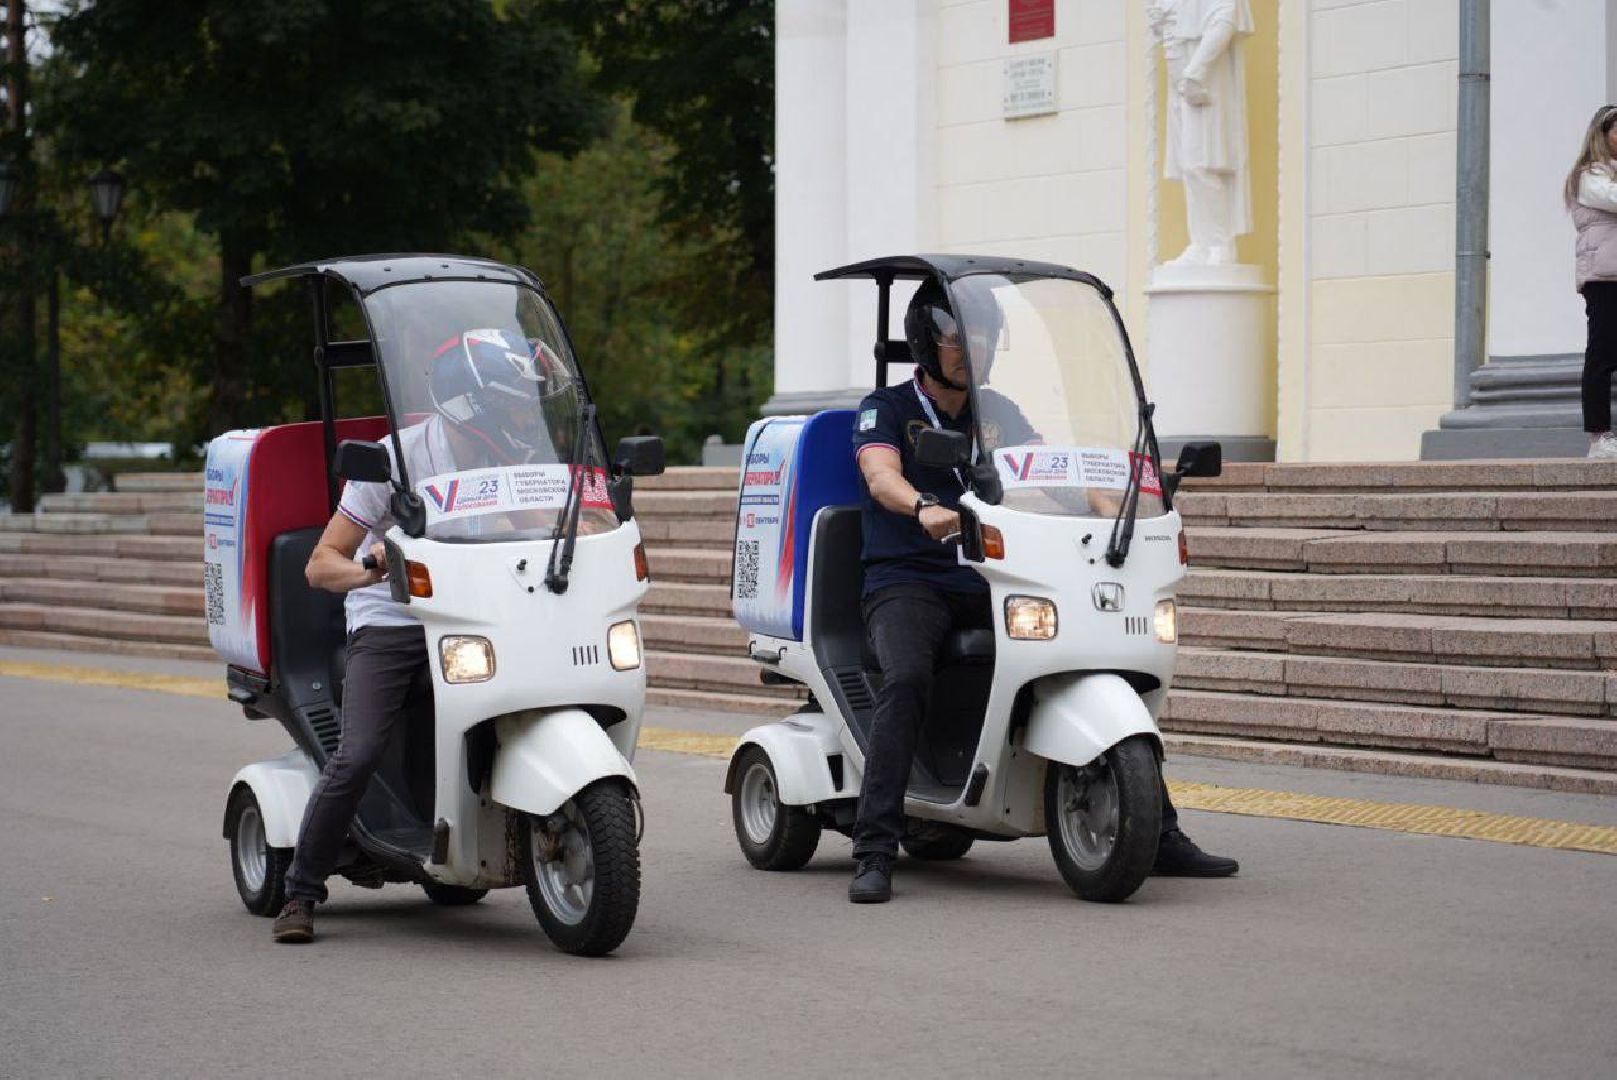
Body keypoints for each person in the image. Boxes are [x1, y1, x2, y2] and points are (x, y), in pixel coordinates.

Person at [845, 280, 1239, 904]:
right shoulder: (887, 406)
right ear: (926, 340)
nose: (970, 349)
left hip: (989, 574)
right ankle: (874, 845)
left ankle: (1157, 832)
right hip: (909, 577)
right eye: (957, 338)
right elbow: (879, 473)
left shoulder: (998, 410)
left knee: (1085, 656)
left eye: (982, 337)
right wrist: (921, 506)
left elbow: (1050, 475)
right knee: (907, 679)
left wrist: (1114, 509)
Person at [272, 328, 562, 943]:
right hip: (394, 620)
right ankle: (301, 890)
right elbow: (320, 563)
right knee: (356, 755)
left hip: (480, 618)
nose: (520, 413)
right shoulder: (391, 460)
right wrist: (374, 569)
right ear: (470, 401)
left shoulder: (509, 458)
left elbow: (539, 525)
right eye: (511, 399)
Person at [1149, 0, 1255, 266]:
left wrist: (1197, 70)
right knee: (1188, 166)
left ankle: (1221, 242)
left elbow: (1225, 20)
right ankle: (1201, 242)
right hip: (1180, 83)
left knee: (1204, 162)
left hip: (1205, 80)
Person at [1566, 104, 1617, 460]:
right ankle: (1599, 438)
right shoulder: (1591, 176)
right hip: (1604, 277)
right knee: (1602, 354)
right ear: (1603, 134)